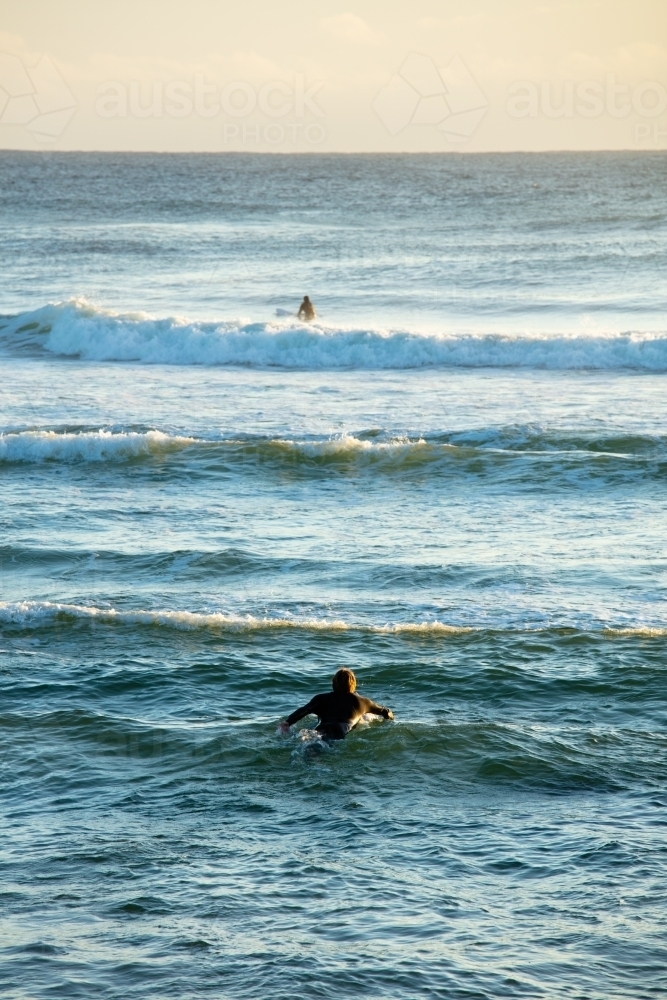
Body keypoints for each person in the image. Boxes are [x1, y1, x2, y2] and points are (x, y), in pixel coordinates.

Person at [279, 668, 393, 740]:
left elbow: (304, 710)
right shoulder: (362, 702)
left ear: (333, 683)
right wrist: (390, 721)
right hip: (339, 734)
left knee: (310, 745)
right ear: (353, 684)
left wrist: (288, 722)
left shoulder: (321, 699)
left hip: (318, 731)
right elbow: (385, 711)